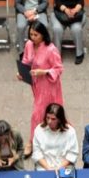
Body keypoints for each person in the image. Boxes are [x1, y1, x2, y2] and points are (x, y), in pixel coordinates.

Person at [18, 21, 64, 151]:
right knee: (45, 111)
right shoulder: (29, 45)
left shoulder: (51, 49)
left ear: (43, 34)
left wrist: (43, 72)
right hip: (36, 85)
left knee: (37, 113)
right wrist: (21, 73)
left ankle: (31, 142)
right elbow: (26, 61)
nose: (33, 37)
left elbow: (59, 68)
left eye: (36, 35)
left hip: (49, 85)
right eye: (31, 34)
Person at [50, 0, 86, 64]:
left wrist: (74, 10)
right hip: (60, 13)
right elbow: (57, 2)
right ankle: (57, 55)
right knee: (57, 29)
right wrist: (66, 10)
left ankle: (79, 53)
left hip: (75, 14)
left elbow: (81, 1)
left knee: (76, 29)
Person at [33, 103, 80, 172]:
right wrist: (48, 168)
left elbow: (72, 153)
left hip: (64, 168)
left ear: (60, 119)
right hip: (44, 169)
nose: (49, 121)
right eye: (47, 118)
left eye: (53, 119)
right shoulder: (39, 129)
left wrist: (59, 168)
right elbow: (37, 153)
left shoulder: (70, 131)